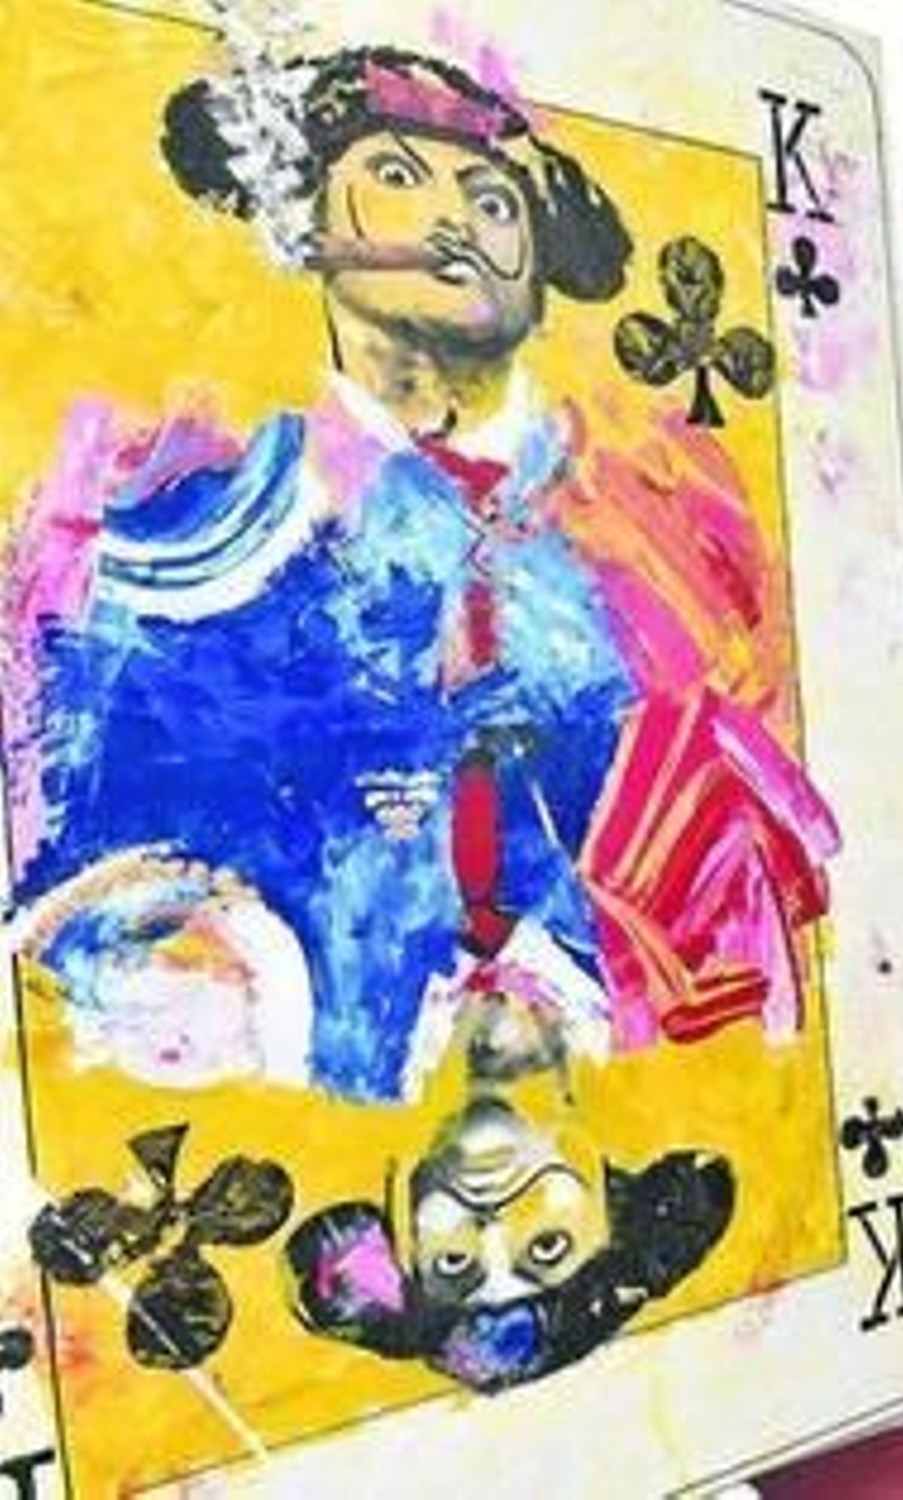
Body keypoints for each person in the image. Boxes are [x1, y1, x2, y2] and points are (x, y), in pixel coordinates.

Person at [1, 46, 837, 1102]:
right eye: (397, 178)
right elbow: (73, 834)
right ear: (305, 225)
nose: (456, 224)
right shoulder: (199, 523)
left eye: (496, 202)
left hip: (607, 1078)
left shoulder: (649, 530)